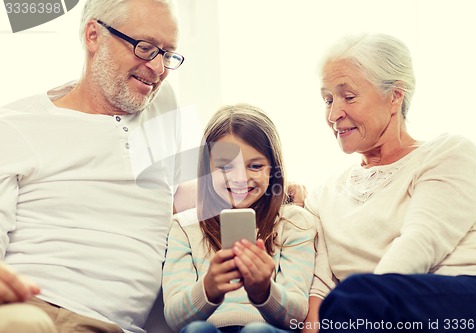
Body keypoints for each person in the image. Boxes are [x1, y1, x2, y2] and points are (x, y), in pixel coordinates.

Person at [0, 0, 186, 332]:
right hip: (36, 310)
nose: (158, 69)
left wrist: (271, 194)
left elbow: (186, 192)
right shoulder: (16, 126)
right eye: (144, 48)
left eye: (168, 54)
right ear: (92, 36)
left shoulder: (164, 105)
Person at [300, 32, 476, 333]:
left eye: (348, 96)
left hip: (475, 300)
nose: (333, 114)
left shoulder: (448, 153)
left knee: (355, 295)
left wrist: (369, 302)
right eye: (327, 99)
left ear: (395, 96)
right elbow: (322, 283)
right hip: (376, 308)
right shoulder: (323, 195)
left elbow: (420, 243)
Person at [162, 104, 317, 333]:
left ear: (273, 167)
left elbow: (296, 315)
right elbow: (175, 319)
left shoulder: (295, 223)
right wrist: (208, 289)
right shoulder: (185, 227)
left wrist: (265, 291)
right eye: (225, 167)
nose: (240, 178)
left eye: (255, 166)